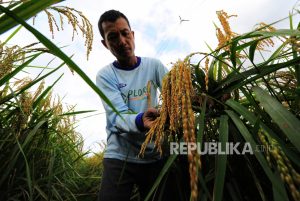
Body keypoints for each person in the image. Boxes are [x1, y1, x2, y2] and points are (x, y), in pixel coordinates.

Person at [96, 10, 190, 201]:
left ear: (133, 35)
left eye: (125, 33)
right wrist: (141, 120)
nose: (121, 41)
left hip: (154, 154)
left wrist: (203, 98)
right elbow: (117, 116)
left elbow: (178, 95)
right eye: (113, 37)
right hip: (120, 156)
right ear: (105, 44)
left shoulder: (153, 66)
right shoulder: (105, 75)